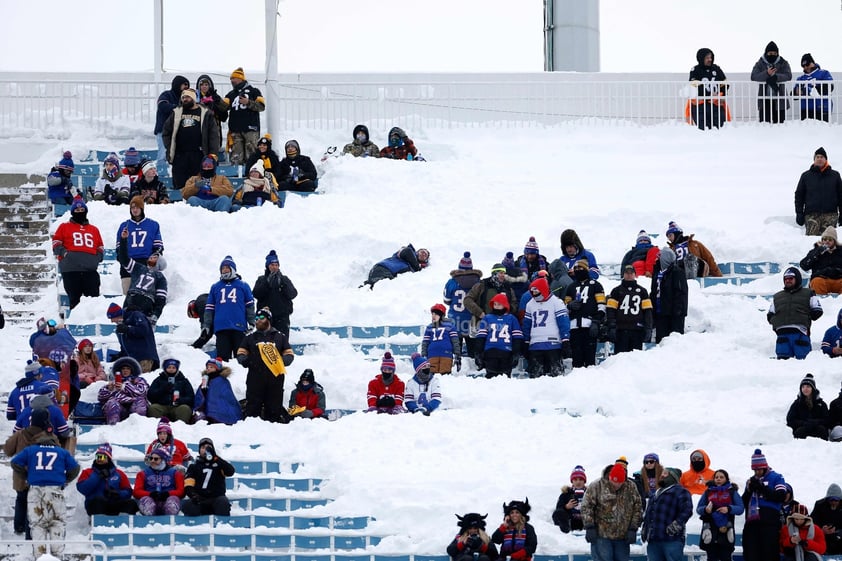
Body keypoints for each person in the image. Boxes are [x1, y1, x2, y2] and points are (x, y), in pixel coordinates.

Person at [10, 414, 80, 559]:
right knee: (57, 524)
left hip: (35, 491)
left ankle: (40, 557)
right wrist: (65, 480)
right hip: (55, 491)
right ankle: (57, 556)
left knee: (37, 525)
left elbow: (15, 463)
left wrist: (26, 476)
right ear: (54, 439)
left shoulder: (31, 450)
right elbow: (75, 468)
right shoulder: (61, 452)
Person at [4, 407, 60, 538]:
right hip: (39, 476)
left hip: (20, 476)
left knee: (21, 499)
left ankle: (19, 526)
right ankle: (31, 534)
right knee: (35, 505)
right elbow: (58, 452)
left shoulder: (20, 434)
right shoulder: (49, 437)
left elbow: (7, 450)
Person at [237, 307, 295, 423]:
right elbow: (240, 353)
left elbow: (289, 354)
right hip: (255, 377)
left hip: (275, 377)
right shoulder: (250, 337)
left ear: (268, 319)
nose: (258, 320)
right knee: (253, 407)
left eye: (261, 318)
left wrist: (281, 361)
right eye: (256, 318)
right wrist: (246, 361)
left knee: (274, 408)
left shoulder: (280, 337)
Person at [581, 460, 642, 561]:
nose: (617, 485)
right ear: (609, 477)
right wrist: (589, 526)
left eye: (620, 482)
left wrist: (633, 528)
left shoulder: (631, 487)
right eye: (614, 481)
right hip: (602, 536)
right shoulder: (596, 486)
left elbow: (637, 507)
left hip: (623, 537)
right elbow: (586, 506)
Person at [163, 87, 221, 190]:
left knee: (198, 185)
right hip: (180, 155)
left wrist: (213, 154)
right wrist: (170, 147)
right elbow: (166, 132)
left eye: (187, 97)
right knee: (179, 185)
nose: (185, 99)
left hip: (199, 155)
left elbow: (213, 136)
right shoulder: (176, 113)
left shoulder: (206, 113)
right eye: (183, 97)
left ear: (194, 98)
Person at [52, 196, 104, 309]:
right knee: (74, 303)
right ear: (72, 212)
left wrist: (97, 258)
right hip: (71, 270)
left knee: (93, 302)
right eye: (77, 210)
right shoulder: (64, 227)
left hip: (90, 270)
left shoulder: (94, 229)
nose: (80, 212)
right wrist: (65, 253)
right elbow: (56, 243)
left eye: (82, 210)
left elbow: (100, 246)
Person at [203, 255, 256, 360]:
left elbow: (250, 306)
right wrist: (206, 325)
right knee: (222, 359)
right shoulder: (215, 287)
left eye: (227, 267)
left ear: (233, 269)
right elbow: (209, 308)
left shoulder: (243, 285)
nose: (225, 270)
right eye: (223, 268)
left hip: (239, 327)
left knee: (241, 359)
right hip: (221, 327)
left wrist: (252, 322)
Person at [464, 263, 518, 364]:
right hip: (482, 322)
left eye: (504, 273)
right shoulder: (481, 285)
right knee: (479, 349)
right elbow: (467, 300)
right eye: (501, 273)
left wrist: (507, 311)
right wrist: (480, 313)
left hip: (501, 326)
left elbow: (514, 304)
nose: (503, 275)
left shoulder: (508, 288)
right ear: (494, 274)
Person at [741, 448, 788, 561]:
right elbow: (743, 502)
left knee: (769, 553)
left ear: (765, 466)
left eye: (759, 470)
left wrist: (762, 488)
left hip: (769, 521)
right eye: (754, 470)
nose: (757, 472)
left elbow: (781, 496)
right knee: (751, 553)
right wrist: (748, 490)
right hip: (752, 522)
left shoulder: (777, 477)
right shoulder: (752, 480)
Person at [767, 267, 823, 360]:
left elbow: (817, 310)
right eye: (786, 279)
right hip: (782, 336)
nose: (788, 281)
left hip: (800, 333)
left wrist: (804, 317)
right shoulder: (777, 296)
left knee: (803, 361)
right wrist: (776, 322)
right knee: (782, 362)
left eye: (791, 278)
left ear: (797, 279)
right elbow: (770, 315)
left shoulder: (808, 293)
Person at [118, 224, 167, 325]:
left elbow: (161, 299)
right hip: (131, 297)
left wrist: (156, 315)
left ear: (159, 263)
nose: (151, 257)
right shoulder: (139, 267)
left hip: (147, 301)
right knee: (125, 327)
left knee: (140, 328)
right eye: (152, 256)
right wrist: (123, 240)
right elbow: (124, 259)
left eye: (155, 257)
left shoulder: (160, 277)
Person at [522, 276, 572, 377]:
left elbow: (563, 322)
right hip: (535, 344)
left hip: (553, 343)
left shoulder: (556, 302)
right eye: (533, 291)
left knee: (556, 375)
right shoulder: (530, 304)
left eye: (537, 291)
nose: (535, 294)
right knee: (536, 375)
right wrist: (526, 341)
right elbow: (527, 324)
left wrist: (565, 339)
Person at [641, 467, 693, 561]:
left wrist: (676, 525)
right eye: (661, 473)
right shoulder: (654, 494)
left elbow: (687, 510)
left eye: (665, 474)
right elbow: (648, 513)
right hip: (654, 539)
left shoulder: (681, 491)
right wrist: (645, 528)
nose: (661, 476)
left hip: (672, 540)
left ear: (672, 477)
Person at [116, 195, 164, 294]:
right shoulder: (124, 226)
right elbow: (119, 249)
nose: (135, 210)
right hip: (128, 263)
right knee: (128, 297)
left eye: (137, 207)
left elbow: (158, 247)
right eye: (132, 208)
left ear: (142, 208)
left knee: (146, 296)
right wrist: (123, 260)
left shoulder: (153, 224)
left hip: (145, 262)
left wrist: (153, 260)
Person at [564, 259, 606, 368]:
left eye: (580, 268)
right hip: (574, 326)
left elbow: (601, 305)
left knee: (590, 360)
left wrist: (596, 322)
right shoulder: (571, 287)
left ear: (586, 269)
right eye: (576, 268)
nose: (578, 270)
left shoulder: (596, 285)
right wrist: (570, 305)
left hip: (589, 325)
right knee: (576, 360)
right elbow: (564, 307)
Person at [75, 443, 138, 516]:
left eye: (102, 457)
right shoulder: (88, 472)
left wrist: (118, 494)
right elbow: (82, 489)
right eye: (98, 456)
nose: (99, 459)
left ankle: (124, 522)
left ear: (108, 458)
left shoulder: (119, 474)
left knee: (131, 503)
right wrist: (97, 476)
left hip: (114, 503)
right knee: (98, 500)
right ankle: (97, 521)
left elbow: (128, 491)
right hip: (96, 505)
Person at [696, 469, 743, 561]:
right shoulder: (708, 492)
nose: (718, 479)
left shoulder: (732, 492)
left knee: (725, 557)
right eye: (716, 477)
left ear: (726, 479)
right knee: (711, 557)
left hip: (726, 529)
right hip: (710, 529)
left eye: (721, 477)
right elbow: (698, 509)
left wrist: (729, 509)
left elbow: (740, 508)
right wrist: (705, 509)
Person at [605, 265, 654, 353]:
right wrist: (611, 326)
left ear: (635, 274)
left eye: (631, 273)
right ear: (623, 274)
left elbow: (648, 311)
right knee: (619, 358)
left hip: (637, 330)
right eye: (627, 273)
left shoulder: (642, 291)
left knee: (635, 359)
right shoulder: (616, 291)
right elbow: (610, 310)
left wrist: (648, 328)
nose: (629, 275)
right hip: (621, 330)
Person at [794, 147, 842, 236]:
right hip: (811, 215)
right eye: (817, 157)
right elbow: (799, 196)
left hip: (830, 215)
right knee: (811, 241)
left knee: (828, 240)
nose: (819, 159)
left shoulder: (835, 175)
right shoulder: (806, 176)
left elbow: (841, 196)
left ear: (826, 159)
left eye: (822, 157)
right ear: (814, 159)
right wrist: (799, 213)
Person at [182, 437, 235, 516]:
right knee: (188, 505)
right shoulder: (194, 466)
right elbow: (188, 485)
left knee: (223, 501)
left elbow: (230, 471)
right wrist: (193, 495)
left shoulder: (219, 464)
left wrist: (216, 458)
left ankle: (221, 524)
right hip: (200, 499)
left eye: (208, 448)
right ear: (199, 450)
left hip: (216, 499)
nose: (205, 450)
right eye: (203, 448)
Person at [444, 252, 482, 361]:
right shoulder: (478, 282)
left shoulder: (451, 282)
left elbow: (447, 300)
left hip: (455, 319)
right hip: (471, 319)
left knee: (456, 347)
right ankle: (473, 367)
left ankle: (457, 366)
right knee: (472, 349)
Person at [223, 67, 265, 165]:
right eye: (231, 79)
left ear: (241, 78)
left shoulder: (254, 91)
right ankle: (236, 178)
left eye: (234, 78)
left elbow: (261, 107)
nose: (232, 81)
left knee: (252, 156)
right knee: (236, 158)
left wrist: (248, 102)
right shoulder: (230, 94)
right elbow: (223, 107)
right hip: (235, 130)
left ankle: (252, 177)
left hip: (251, 130)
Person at [476, 293, 524, 379]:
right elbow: (481, 337)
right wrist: (478, 352)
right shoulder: (487, 318)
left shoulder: (512, 318)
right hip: (490, 351)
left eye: (499, 304)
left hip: (506, 352)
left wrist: (516, 353)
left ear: (505, 305)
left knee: (505, 377)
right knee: (491, 376)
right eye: (495, 304)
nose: (496, 306)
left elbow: (517, 337)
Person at [253, 249, 298, 335]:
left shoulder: (284, 279)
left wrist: (282, 283)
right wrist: (267, 283)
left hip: (282, 318)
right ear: (267, 266)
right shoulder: (261, 279)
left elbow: (293, 294)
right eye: (272, 265)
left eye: (276, 265)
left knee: (281, 345)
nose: (274, 267)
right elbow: (256, 294)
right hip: (264, 318)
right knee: (264, 345)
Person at [107, 302, 159, 372]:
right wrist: (120, 356)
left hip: (144, 358)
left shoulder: (136, 315)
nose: (112, 321)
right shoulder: (120, 328)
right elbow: (125, 346)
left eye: (112, 318)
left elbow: (144, 330)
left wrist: (128, 329)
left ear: (118, 315)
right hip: (132, 360)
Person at [97, 357, 149, 425]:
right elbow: (100, 397)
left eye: (128, 368)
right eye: (123, 368)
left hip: (134, 407)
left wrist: (125, 387)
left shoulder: (139, 380)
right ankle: (113, 429)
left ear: (131, 370)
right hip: (119, 409)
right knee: (112, 403)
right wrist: (110, 390)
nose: (125, 370)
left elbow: (142, 392)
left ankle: (137, 427)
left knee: (140, 401)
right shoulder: (114, 382)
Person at [651, 248, 688, 343]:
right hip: (660, 313)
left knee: (674, 343)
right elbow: (654, 291)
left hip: (673, 315)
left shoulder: (677, 272)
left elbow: (681, 294)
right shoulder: (657, 272)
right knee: (660, 343)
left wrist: (678, 312)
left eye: (659, 256)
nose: (657, 259)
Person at [750, 41, 792, 124]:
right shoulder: (760, 63)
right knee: (764, 126)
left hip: (780, 99)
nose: (772, 55)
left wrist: (776, 77)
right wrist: (767, 73)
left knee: (780, 125)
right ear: (766, 53)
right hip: (764, 100)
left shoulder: (783, 63)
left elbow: (788, 75)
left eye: (774, 53)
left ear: (777, 53)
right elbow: (753, 76)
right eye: (770, 53)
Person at [133, 447, 184, 516]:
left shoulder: (176, 473)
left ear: (163, 460)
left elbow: (181, 491)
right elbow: (136, 492)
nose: (152, 461)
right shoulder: (142, 474)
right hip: (150, 499)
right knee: (147, 502)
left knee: (172, 503)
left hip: (168, 499)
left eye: (156, 459)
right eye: (151, 458)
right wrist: (150, 494)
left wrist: (168, 494)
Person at [688, 47, 729, 130]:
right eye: (707, 58)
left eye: (711, 57)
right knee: (703, 129)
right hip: (700, 105)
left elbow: (725, 84)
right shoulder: (695, 70)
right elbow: (694, 86)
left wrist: (720, 95)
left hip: (716, 104)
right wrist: (708, 95)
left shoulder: (716, 69)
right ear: (701, 58)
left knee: (720, 127)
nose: (710, 59)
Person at [155, 75, 190, 170]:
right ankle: (161, 174)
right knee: (163, 154)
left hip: (177, 132)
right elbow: (162, 106)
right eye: (184, 85)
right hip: (163, 131)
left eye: (187, 85)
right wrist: (178, 108)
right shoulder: (166, 95)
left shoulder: (185, 99)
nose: (186, 88)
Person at [193, 357, 242, 425]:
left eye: (211, 367)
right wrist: (203, 391)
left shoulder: (222, 381)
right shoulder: (205, 380)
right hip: (205, 409)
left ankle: (216, 417)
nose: (208, 368)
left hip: (220, 409)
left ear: (217, 368)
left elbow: (225, 396)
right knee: (199, 417)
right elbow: (199, 397)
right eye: (207, 367)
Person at [361, 244, 430, 289]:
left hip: (389, 274)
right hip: (384, 268)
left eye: (425, 255)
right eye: (422, 252)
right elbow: (407, 251)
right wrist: (418, 267)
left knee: (377, 289)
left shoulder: (413, 266)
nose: (423, 254)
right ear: (417, 252)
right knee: (374, 287)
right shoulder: (409, 251)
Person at [147, 358, 195, 423]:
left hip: (178, 407)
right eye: (169, 367)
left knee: (185, 409)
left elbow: (191, 397)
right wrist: (162, 390)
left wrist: (181, 400)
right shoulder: (158, 380)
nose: (171, 369)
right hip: (162, 406)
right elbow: (150, 395)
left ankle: (181, 427)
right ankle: (159, 427)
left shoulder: (183, 381)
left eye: (173, 367)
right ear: (165, 368)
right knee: (153, 408)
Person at [786, 373, 830, 440]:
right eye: (803, 387)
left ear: (813, 388)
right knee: (800, 431)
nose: (805, 389)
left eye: (808, 387)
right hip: (802, 430)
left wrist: (816, 422)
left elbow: (827, 420)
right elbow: (790, 420)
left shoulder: (821, 404)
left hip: (817, 429)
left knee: (822, 430)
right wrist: (803, 423)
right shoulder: (797, 403)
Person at [800, 226, 842, 295]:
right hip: (821, 280)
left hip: (838, 280)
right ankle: (820, 302)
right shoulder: (815, 252)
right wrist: (817, 252)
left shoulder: (840, 251)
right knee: (816, 282)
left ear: (834, 241)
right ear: (822, 240)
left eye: (830, 239)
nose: (827, 241)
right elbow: (804, 265)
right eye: (825, 239)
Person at [422, 304, 461, 374]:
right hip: (432, 355)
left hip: (446, 355)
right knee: (432, 375)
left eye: (436, 314)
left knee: (445, 374)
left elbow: (455, 341)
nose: (433, 316)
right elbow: (425, 342)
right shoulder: (429, 327)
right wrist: (423, 355)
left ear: (441, 316)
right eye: (432, 314)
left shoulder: (450, 326)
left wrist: (457, 355)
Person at [795, 54, 834, 122]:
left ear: (813, 63)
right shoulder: (801, 78)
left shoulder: (824, 73)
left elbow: (829, 87)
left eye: (807, 64)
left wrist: (809, 90)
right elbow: (794, 95)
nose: (806, 67)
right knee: (805, 131)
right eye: (803, 66)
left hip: (822, 109)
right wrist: (796, 91)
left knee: (823, 131)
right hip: (805, 110)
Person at [196, 74, 228, 152]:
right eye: (202, 85)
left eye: (206, 84)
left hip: (214, 128)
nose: (204, 87)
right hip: (198, 129)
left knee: (213, 153)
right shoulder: (195, 97)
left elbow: (224, 115)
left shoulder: (215, 97)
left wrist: (216, 105)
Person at [552, 465, 588, 534]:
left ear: (584, 481)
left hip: (586, 521)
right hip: (570, 521)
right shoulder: (566, 494)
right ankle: (564, 532)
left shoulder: (590, 493)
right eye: (575, 480)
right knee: (558, 513)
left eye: (580, 479)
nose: (578, 482)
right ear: (572, 481)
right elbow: (558, 508)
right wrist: (566, 507)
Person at [811, 483, 842, 555]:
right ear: (827, 499)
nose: (833, 502)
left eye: (836, 500)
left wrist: (838, 532)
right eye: (831, 500)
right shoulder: (820, 505)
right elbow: (810, 524)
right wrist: (821, 530)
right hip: (823, 539)